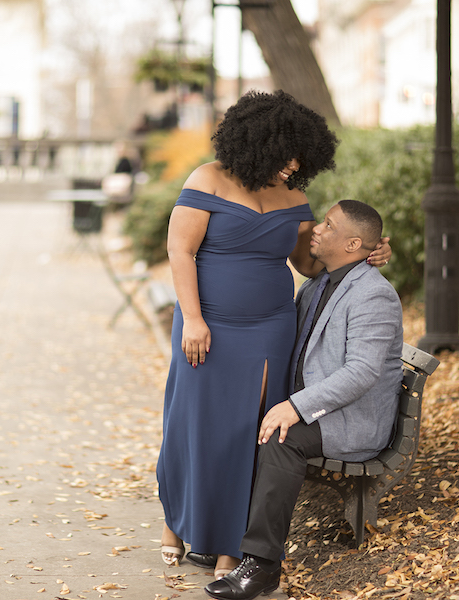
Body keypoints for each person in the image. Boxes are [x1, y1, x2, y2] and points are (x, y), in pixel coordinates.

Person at [156, 90, 393, 579]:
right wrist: (194, 319)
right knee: (194, 423)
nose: (293, 166)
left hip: (269, 327)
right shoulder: (210, 179)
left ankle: (227, 545)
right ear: (260, 141)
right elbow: (180, 251)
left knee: (248, 431)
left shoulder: (295, 197)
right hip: (207, 323)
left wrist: (363, 253)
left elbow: (308, 262)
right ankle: (176, 524)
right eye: (287, 155)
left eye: (301, 159)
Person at [204, 200, 404, 600]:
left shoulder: (372, 295)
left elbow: (362, 372)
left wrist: (294, 407)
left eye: (327, 225)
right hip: (317, 407)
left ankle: (261, 566)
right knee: (242, 420)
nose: (316, 229)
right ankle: (223, 535)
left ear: (352, 244)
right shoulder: (320, 282)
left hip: (349, 420)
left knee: (281, 439)